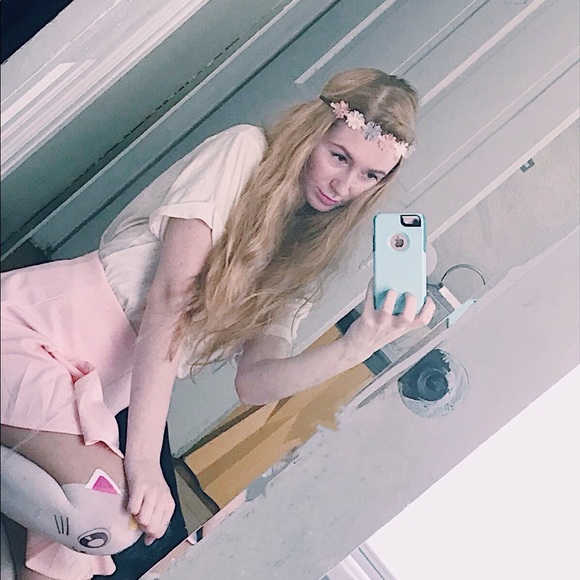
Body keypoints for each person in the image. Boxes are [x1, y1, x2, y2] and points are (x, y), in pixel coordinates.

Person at [0, 68, 435, 579]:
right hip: (32, 333)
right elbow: (170, 300)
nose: (344, 185)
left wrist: (354, 347)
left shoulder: (302, 251)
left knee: (62, 567)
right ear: (311, 131)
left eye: (369, 176)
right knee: (109, 523)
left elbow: (254, 382)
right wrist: (142, 462)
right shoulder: (244, 152)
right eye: (339, 157)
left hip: (95, 394)